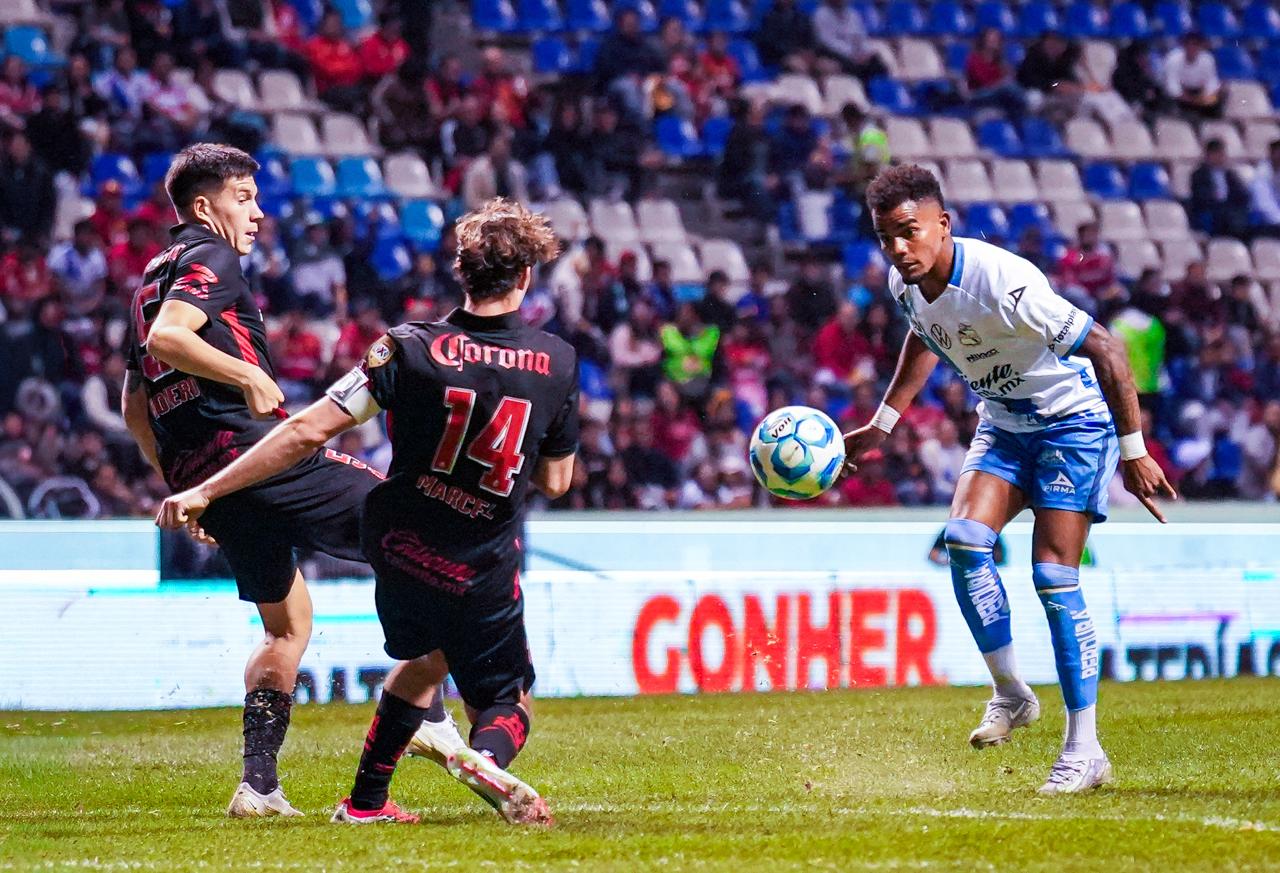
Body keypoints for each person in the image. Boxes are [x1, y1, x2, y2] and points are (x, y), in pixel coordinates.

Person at [157, 198, 577, 826]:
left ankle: (366, 803)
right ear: (525, 278)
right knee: (508, 696)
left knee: (423, 661)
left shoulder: (406, 348)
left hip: (398, 540)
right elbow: (557, 479)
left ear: (460, 271)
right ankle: (486, 754)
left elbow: (306, 431)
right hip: (479, 558)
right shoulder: (557, 362)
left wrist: (206, 488)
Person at [124, 144, 461, 819]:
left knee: (286, 626)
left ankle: (259, 785)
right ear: (203, 207)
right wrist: (248, 374)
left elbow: (135, 400)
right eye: (243, 197)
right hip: (263, 456)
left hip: (209, 475)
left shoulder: (147, 279)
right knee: (418, 536)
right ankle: (424, 710)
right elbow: (169, 338)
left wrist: (190, 485)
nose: (256, 211)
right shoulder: (210, 256)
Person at [843, 164, 1174, 795]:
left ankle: (1085, 748)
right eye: (886, 237)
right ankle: (1012, 693)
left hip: (1070, 424)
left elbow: (1106, 347)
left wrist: (1133, 451)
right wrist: (883, 424)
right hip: (1002, 424)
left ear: (943, 225)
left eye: (909, 232)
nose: (899, 249)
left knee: (1052, 576)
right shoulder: (903, 281)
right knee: (964, 539)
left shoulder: (1003, 281)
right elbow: (924, 337)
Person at [1190, 138, 1250, 239]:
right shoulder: (1199, 175)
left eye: (1222, 154)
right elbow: (1202, 198)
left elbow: (1242, 194)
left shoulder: (1230, 174)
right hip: (1211, 211)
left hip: (1229, 210)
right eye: (1216, 154)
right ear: (1208, 155)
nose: (1220, 157)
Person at [1163, 32, 1221, 119]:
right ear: (1184, 45)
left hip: (1200, 94)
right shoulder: (1173, 59)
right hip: (1180, 96)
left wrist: (1204, 96)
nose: (1191, 48)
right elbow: (1172, 85)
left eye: (1195, 45)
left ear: (1200, 47)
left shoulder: (1208, 59)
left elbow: (1211, 82)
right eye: (1188, 45)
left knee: (1219, 98)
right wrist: (1188, 98)